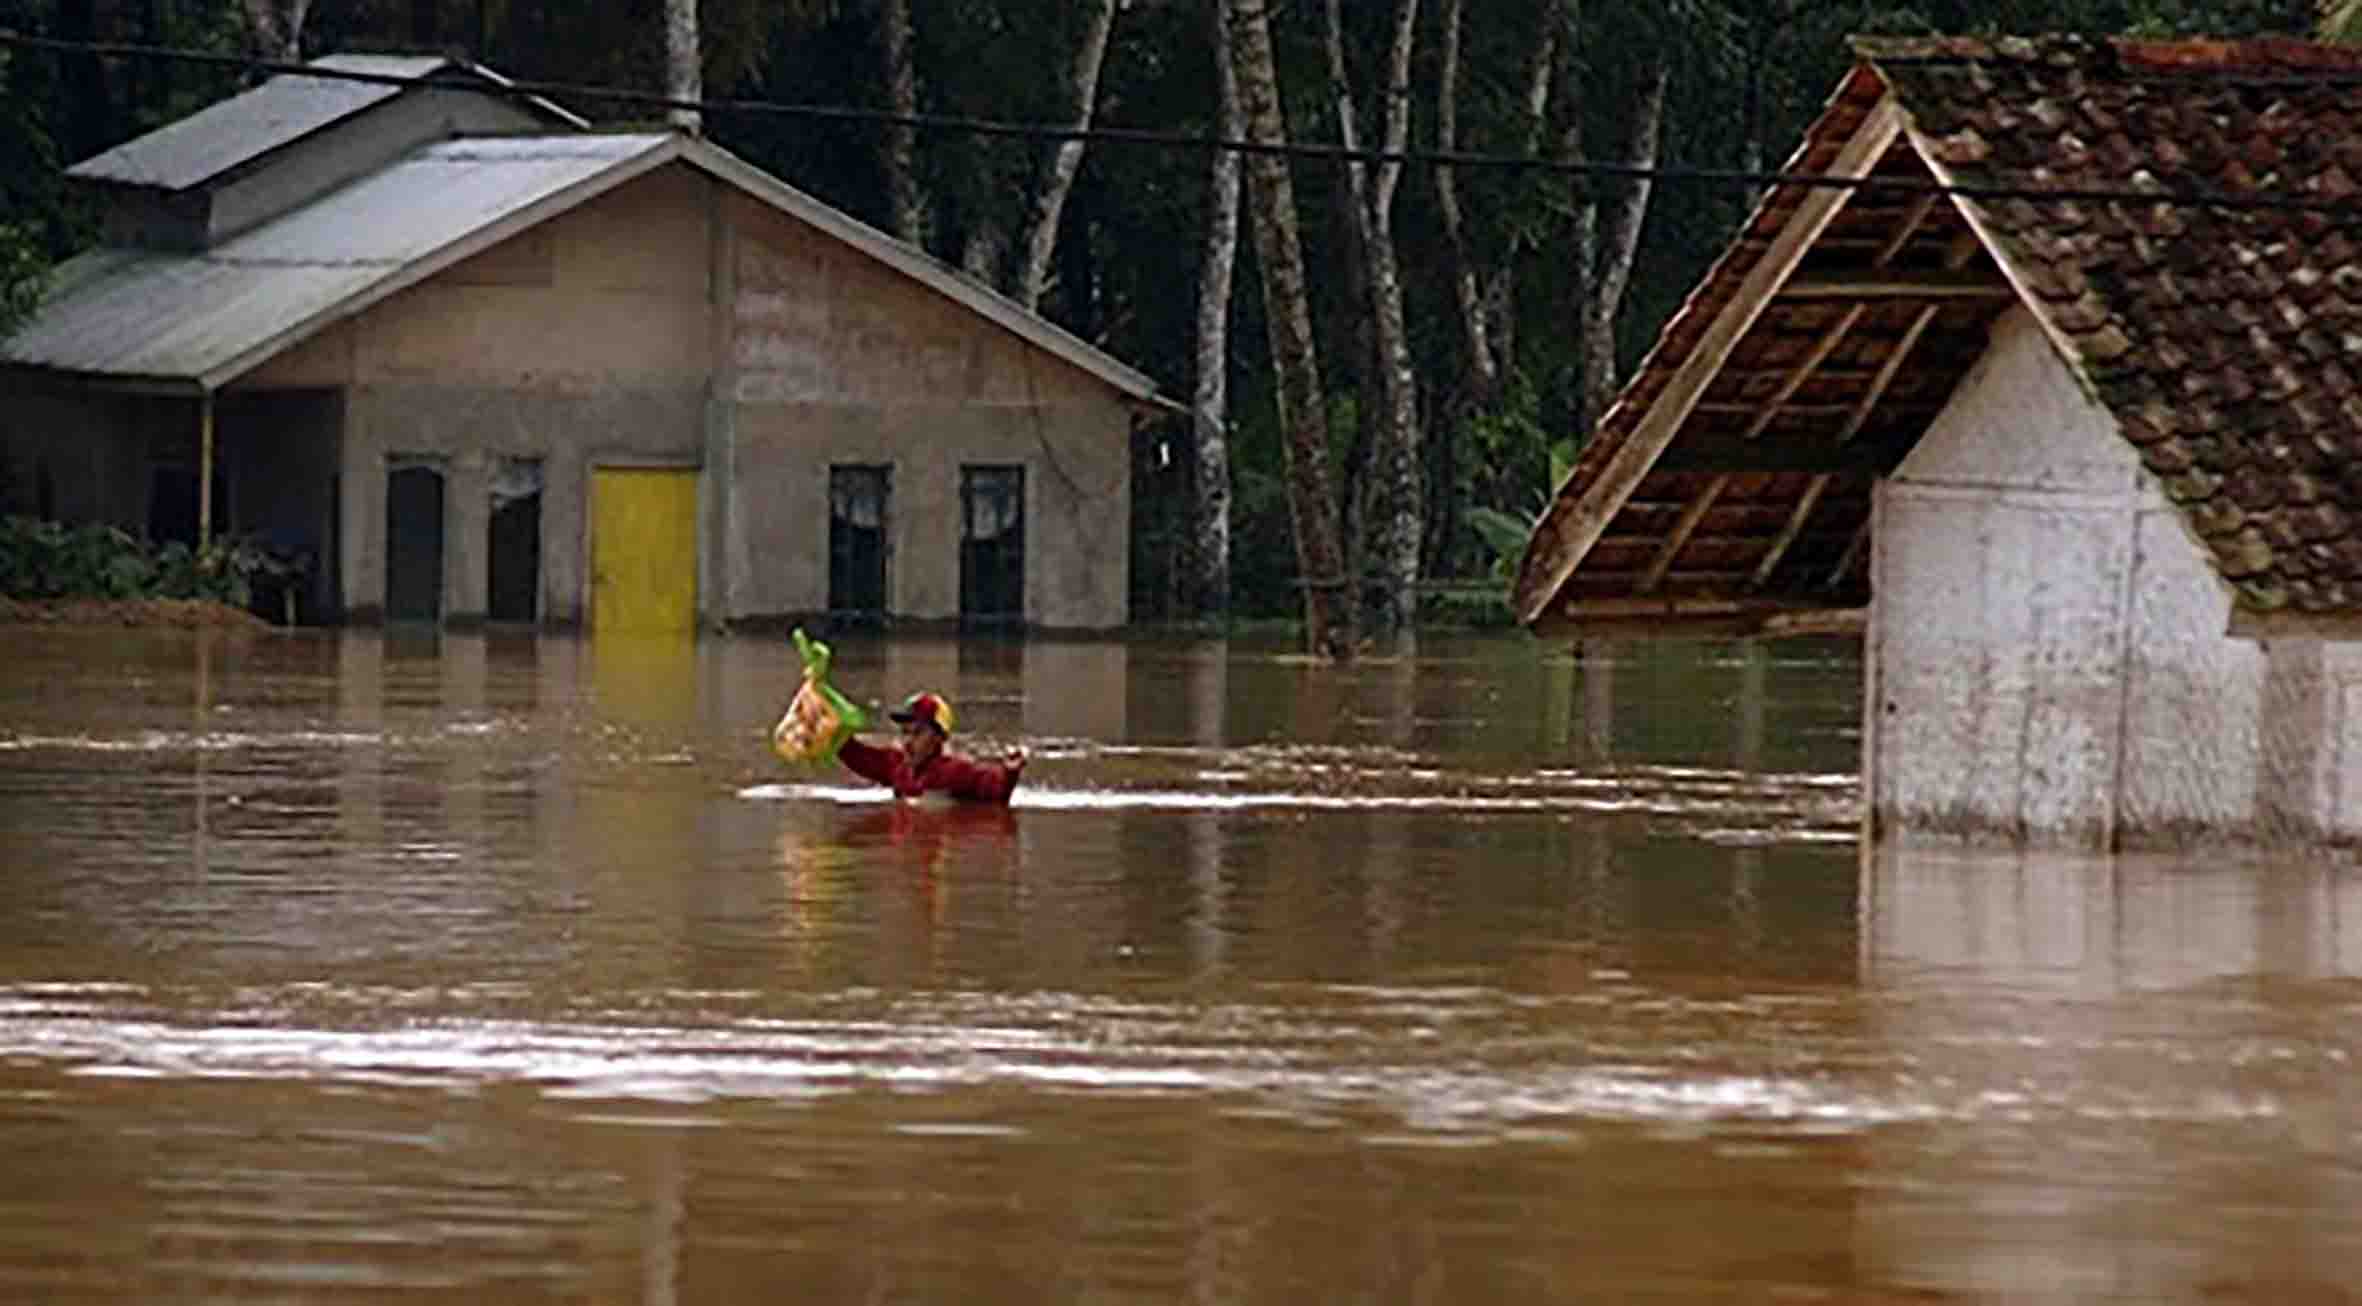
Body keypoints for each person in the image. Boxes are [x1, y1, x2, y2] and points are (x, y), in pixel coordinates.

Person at [837, 691, 1026, 803]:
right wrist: (830, 734)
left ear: (939, 738)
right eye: (905, 733)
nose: (908, 741)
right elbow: (859, 757)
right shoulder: (896, 765)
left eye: (917, 733)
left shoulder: (955, 772)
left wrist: (1009, 773)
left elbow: (995, 788)